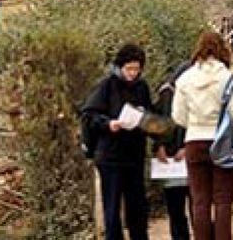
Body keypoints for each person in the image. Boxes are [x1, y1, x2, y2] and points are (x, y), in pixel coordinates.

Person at [172, 32, 233, 240]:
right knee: (223, 200)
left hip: (194, 139)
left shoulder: (185, 79)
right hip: (222, 141)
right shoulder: (229, 79)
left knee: (200, 200)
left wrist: (194, 124)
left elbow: (178, 116)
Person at [81, 44, 153, 240]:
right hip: (111, 155)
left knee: (137, 205)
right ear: (120, 67)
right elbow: (89, 115)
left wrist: (146, 120)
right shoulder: (107, 86)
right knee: (112, 207)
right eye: (129, 69)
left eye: (136, 69)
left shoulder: (142, 87)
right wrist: (108, 124)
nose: (132, 73)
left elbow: (150, 113)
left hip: (134, 155)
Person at [154, 60, 193, 240]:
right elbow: (158, 123)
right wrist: (159, 146)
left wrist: (187, 147)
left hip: (189, 155)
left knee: (196, 206)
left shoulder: (194, 94)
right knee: (175, 207)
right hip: (171, 161)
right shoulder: (166, 94)